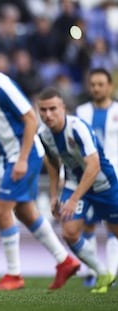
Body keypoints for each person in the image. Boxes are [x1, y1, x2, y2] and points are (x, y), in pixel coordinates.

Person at [0, 43, 79, 291]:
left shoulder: (1, 85)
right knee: (26, 213)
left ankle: (14, 275)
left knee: (1, 210)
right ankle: (65, 260)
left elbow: (30, 118)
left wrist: (23, 159)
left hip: (25, 154)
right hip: (9, 157)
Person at [37, 86, 118, 294]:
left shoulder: (77, 127)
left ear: (63, 108)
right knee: (70, 232)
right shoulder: (44, 134)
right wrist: (54, 194)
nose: (48, 115)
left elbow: (94, 165)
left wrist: (73, 199)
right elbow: (53, 163)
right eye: (43, 110)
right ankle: (102, 273)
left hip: (103, 184)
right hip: (75, 182)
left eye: (52, 109)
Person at [75, 68, 118, 287]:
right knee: (87, 226)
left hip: (113, 178)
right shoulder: (81, 112)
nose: (97, 88)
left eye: (101, 84)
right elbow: (72, 147)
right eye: (93, 84)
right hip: (88, 178)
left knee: (114, 225)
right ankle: (92, 273)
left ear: (109, 86)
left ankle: (111, 273)